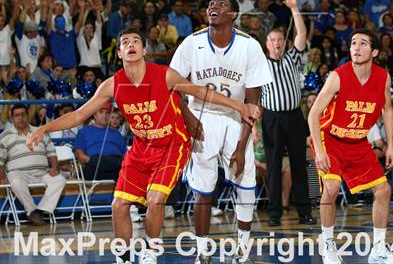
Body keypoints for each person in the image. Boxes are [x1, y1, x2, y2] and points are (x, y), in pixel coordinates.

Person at [27, 28, 259, 264]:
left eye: (136, 41)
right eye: (125, 42)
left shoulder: (165, 75)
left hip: (172, 143)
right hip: (142, 146)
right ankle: (124, 258)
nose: (131, 44)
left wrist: (239, 106)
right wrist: (44, 128)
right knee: (118, 205)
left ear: (144, 49)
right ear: (119, 53)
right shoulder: (113, 84)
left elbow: (201, 92)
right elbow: (79, 115)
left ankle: (150, 253)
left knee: (155, 198)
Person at [170, 0, 272, 263]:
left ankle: (243, 246)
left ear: (234, 15)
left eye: (221, 4)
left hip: (235, 119)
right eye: (210, 4)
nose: (213, 7)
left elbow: (252, 102)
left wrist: (241, 146)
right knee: (203, 189)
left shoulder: (250, 46)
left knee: (246, 184)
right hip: (201, 118)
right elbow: (173, 86)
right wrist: (188, 118)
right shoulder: (191, 44)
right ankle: (202, 250)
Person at [308, 28, 393, 264]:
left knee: (383, 190)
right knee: (330, 188)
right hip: (329, 138)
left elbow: (387, 110)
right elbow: (313, 115)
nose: (356, 47)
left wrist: (390, 145)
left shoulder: (383, 77)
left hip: (358, 141)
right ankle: (328, 246)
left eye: (363, 44)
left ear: (374, 51)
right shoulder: (337, 76)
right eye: (353, 43)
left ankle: (379, 250)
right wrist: (319, 151)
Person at [261, 0, 316, 227]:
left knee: (298, 165)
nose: (276, 44)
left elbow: (302, 33)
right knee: (273, 166)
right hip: (271, 118)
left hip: (294, 116)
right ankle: (274, 213)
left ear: (285, 43)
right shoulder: (259, 64)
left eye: (280, 40)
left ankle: (304, 212)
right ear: (266, 44)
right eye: (272, 40)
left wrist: (294, 8)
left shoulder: (292, 57)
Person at [0, 104, 66, 226]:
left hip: (42, 172)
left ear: (28, 116)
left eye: (23, 115)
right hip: (19, 173)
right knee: (15, 180)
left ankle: (39, 211)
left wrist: (55, 168)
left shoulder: (40, 132)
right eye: (17, 115)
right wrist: (2, 175)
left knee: (59, 180)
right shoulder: (5, 136)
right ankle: (31, 211)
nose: (20, 118)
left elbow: (51, 151)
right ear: (12, 118)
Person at [74, 101, 127, 181]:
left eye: (107, 113)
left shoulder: (116, 133)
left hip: (116, 163)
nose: (104, 116)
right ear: (94, 115)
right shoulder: (83, 132)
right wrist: (91, 160)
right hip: (95, 163)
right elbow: (80, 155)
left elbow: (125, 154)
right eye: (101, 112)